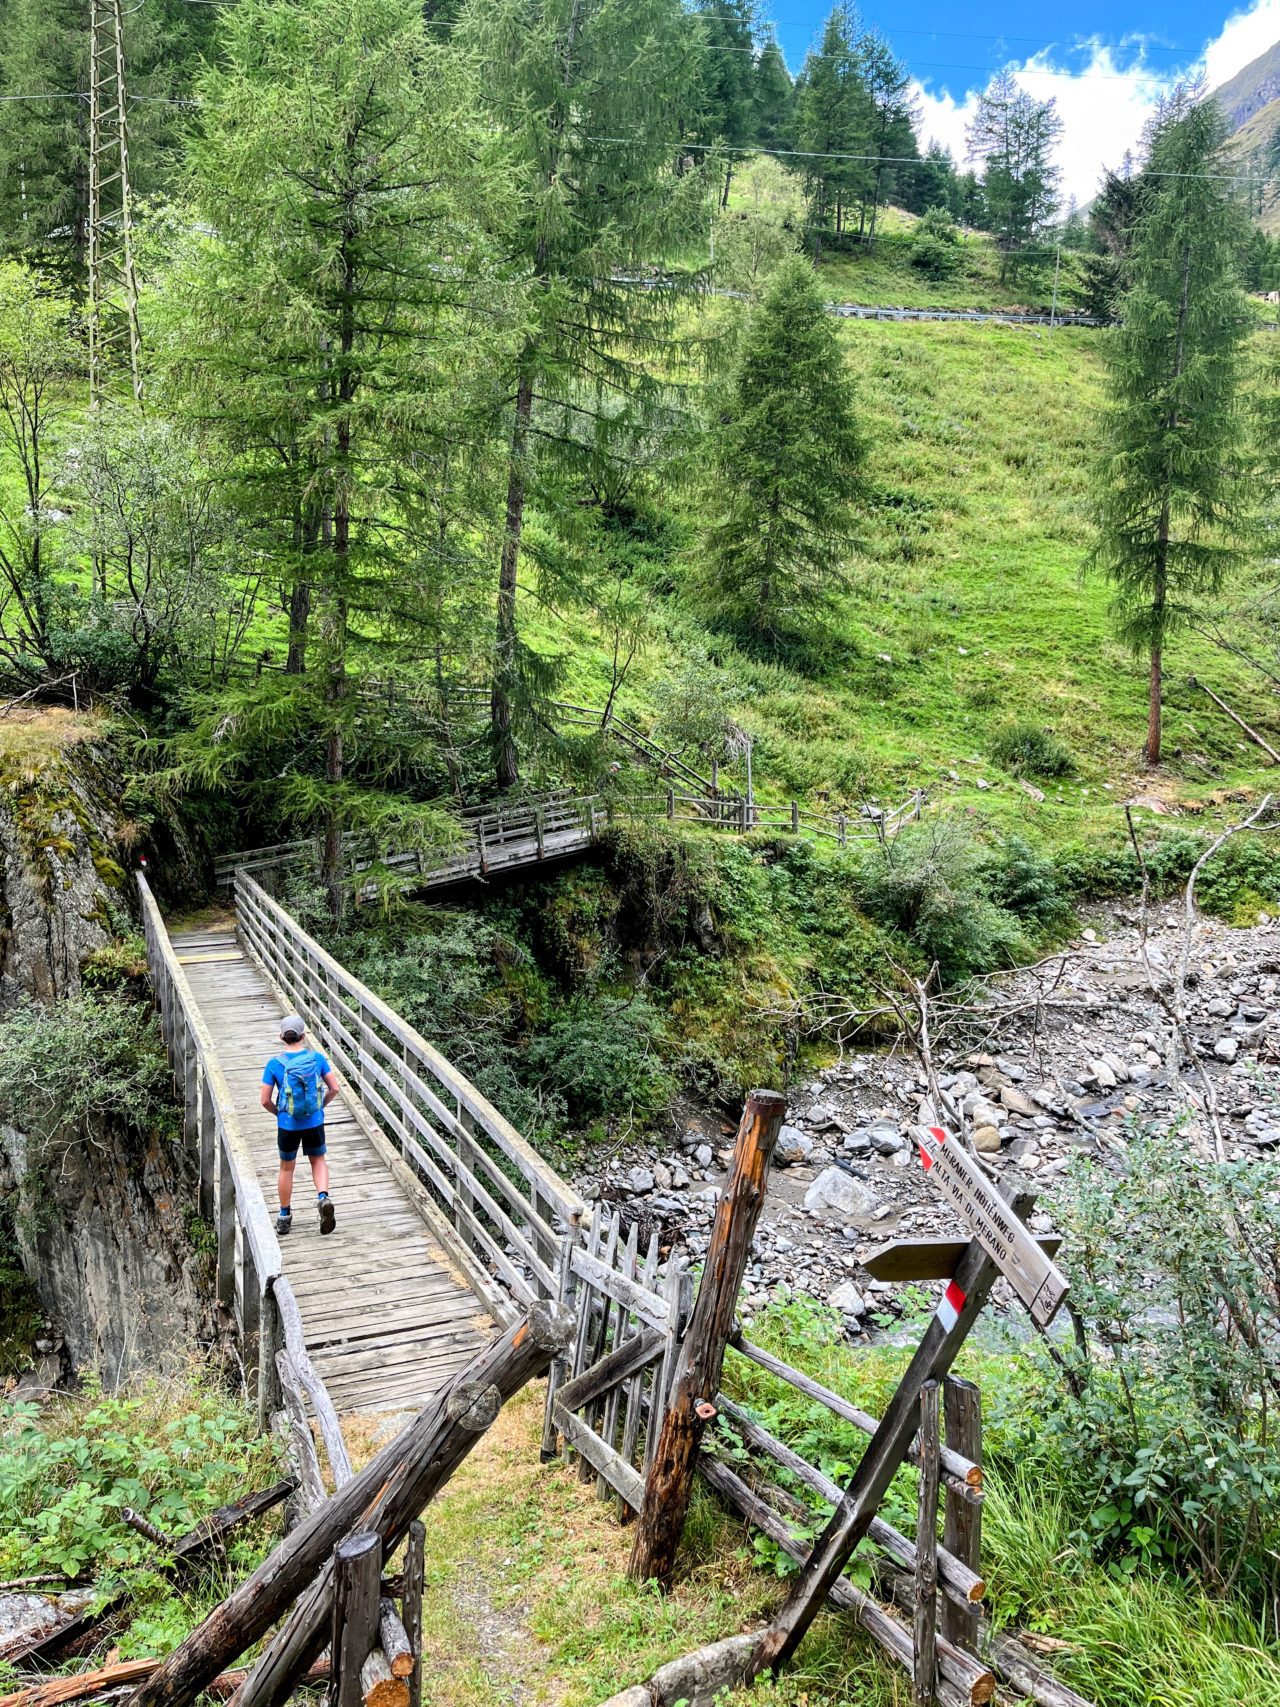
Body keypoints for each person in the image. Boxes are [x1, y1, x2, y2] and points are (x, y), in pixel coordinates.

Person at [260, 1015, 339, 1237]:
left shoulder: (274, 1064)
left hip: (288, 1124)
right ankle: (323, 1197)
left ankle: (284, 1216)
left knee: (287, 1167)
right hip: (314, 1121)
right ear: (303, 1036)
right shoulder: (317, 1059)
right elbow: (334, 1088)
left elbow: (265, 1100)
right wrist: (319, 1107)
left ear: (281, 1037)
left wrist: (279, 1114)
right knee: (318, 1160)